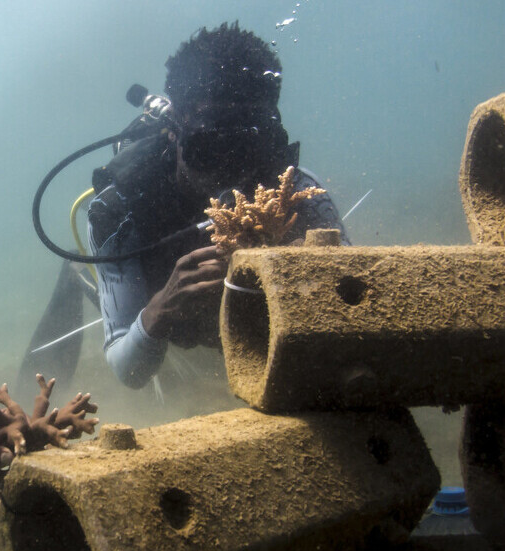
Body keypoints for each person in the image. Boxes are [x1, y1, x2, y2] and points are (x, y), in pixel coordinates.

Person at [88, 23, 349, 389]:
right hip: (168, 314)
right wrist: (160, 309)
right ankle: (82, 281)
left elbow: (355, 303)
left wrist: (310, 272)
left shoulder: (297, 189)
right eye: (209, 148)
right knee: (106, 288)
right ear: (174, 131)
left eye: (250, 148)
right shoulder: (118, 213)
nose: (235, 170)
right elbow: (129, 373)